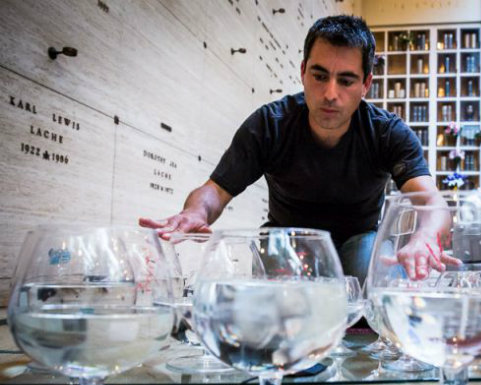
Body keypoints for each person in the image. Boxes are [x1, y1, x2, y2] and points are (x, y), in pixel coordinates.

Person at [140, 15, 451, 282]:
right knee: (281, 273)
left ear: (366, 84)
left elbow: (431, 202)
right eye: (319, 76)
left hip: (360, 241)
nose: (330, 94)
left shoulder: (387, 133)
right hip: (286, 240)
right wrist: (194, 212)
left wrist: (426, 236)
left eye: (346, 81)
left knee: (372, 262)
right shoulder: (269, 124)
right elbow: (215, 190)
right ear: (303, 71)